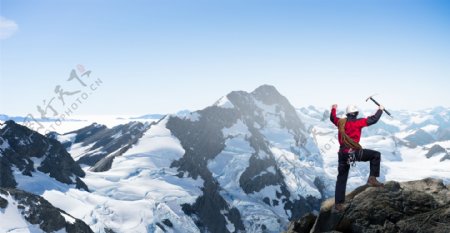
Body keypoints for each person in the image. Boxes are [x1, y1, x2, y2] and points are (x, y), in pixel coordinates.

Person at [330, 104, 384, 211]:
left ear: (347, 114)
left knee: (341, 178)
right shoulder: (358, 122)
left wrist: (334, 108)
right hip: (354, 153)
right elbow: (373, 120)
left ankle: (338, 204)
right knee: (375, 155)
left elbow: (332, 118)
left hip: (342, 154)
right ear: (356, 113)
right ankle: (372, 179)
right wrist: (380, 110)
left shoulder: (340, 122)